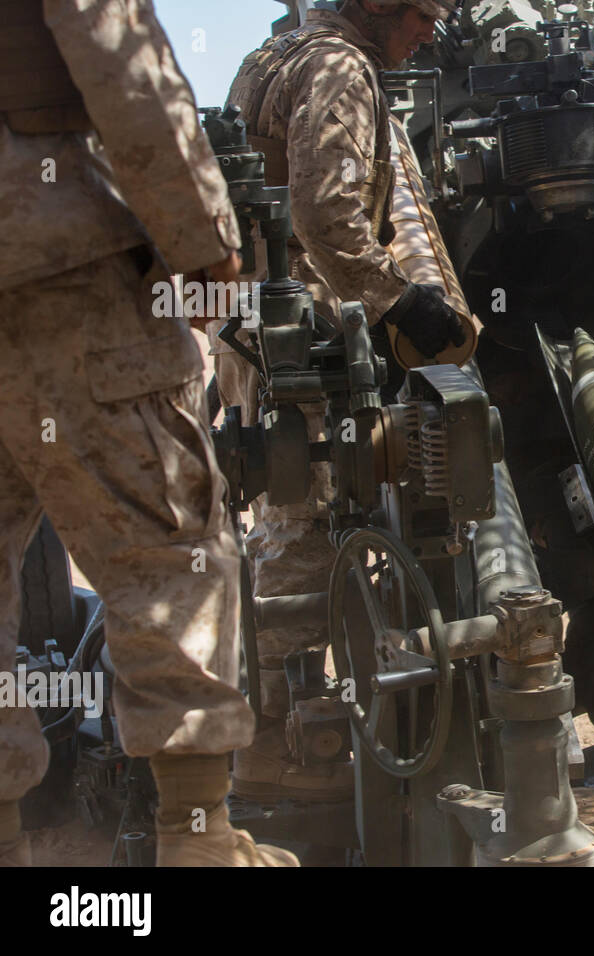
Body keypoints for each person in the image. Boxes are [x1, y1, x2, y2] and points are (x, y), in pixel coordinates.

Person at [0, 0, 296, 865]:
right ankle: (198, 839)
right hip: (52, 258)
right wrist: (202, 240)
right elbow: (116, 46)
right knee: (169, 542)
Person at [217, 0, 471, 801]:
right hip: (303, 345)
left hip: (254, 331)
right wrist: (402, 302)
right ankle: (283, 764)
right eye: (421, 14)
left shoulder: (276, 56)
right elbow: (325, 215)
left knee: (280, 526)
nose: (429, 31)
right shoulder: (340, 68)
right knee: (300, 537)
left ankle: (279, 737)